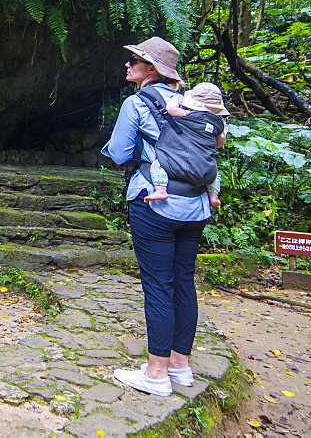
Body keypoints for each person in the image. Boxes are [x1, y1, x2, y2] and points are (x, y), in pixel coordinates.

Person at [101, 37, 214, 397]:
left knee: (158, 286)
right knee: (183, 282)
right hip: (196, 205)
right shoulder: (190, 103)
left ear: (152, 69)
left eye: (135, 60)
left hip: (155, 203)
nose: (128, 65)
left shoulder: (136, 103)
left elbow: (119, 154)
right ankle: (180, 367)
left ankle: (155, 374)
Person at [143, 82, 230, 208]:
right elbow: (220, 143)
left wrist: (176, 100)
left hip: (176, 164)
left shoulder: (188, 115)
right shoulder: (219, 124)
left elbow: (171, 110)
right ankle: (213, 197)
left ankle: (161, 190)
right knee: (214, 175)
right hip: (205, 169)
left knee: (157, 165)